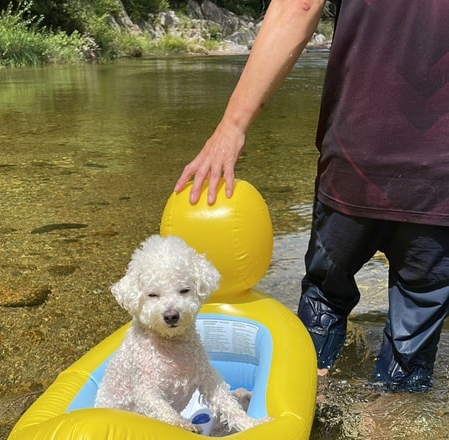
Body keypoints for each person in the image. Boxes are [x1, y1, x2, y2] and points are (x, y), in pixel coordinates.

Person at [175, 0, 449, 392]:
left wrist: (231, 127)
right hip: (441, 177)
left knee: (325, 295)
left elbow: (298, 6)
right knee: (416, 323)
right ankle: (389, 432)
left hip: (355, 156)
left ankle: (308, 400)